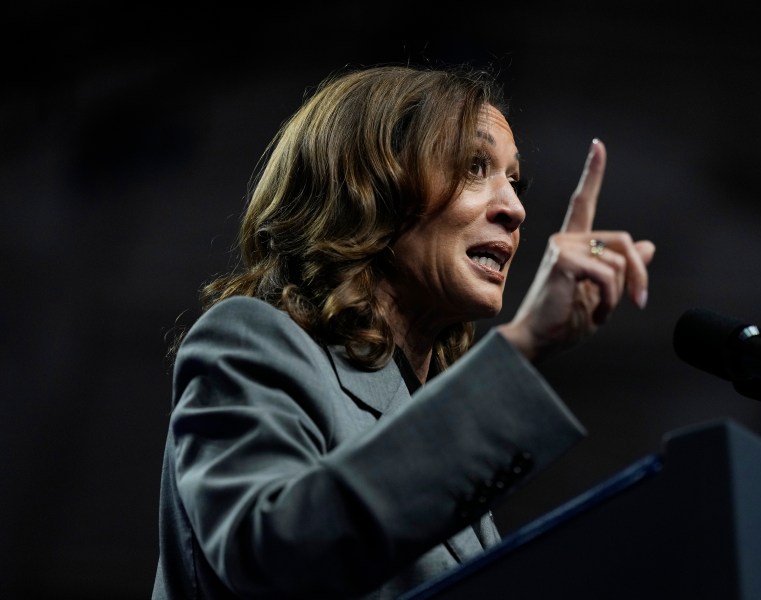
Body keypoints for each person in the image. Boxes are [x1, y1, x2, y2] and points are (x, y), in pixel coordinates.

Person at [151, 63, 655, 599]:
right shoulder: (249, 338)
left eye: (514, 180)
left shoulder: (440, 425)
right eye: (473, 166)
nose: (515, 207)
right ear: (370, 186)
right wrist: (524, 342)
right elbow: (274, 555)